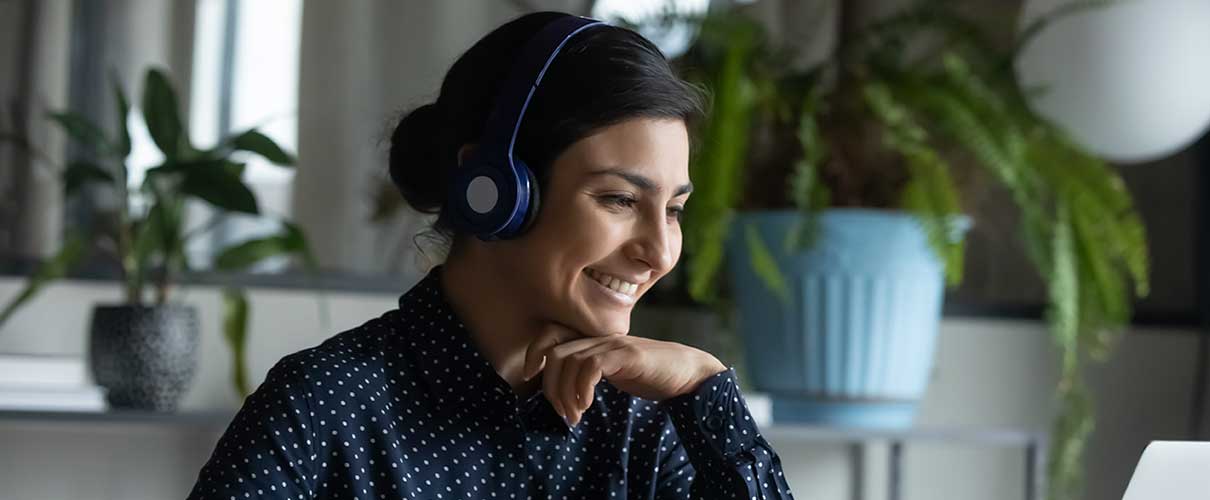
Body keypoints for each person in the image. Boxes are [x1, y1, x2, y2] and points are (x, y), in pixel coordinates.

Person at [187, 11, 794, 499]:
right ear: (495, 193)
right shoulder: (326, 405)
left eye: (674, 210)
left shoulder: (648, 421)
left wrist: (705, 384)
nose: (658, 251)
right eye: (618, 199)